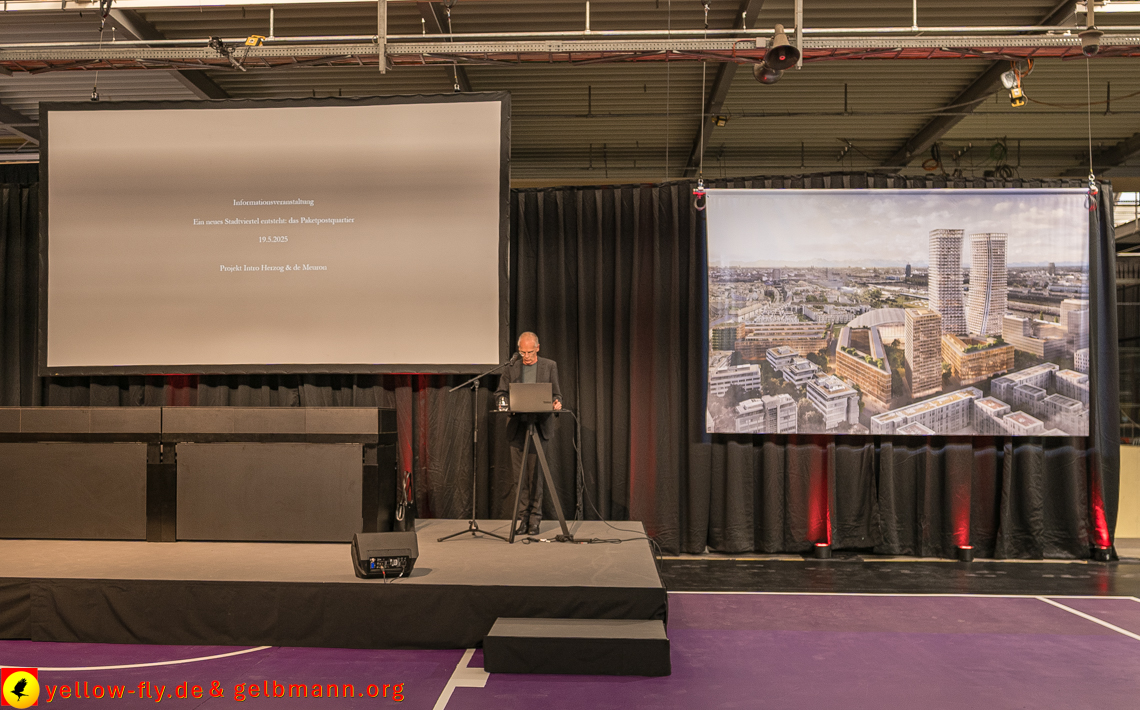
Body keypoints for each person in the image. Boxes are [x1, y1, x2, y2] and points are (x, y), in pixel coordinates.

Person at [495, 331, 562, 536]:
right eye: (522, 352)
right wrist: (502, 402)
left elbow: (556, 393)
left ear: (538, 348)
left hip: (539, 428)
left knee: (535, 477)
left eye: (530, 352)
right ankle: (522, 519)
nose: (526, 356)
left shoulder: (549, 366)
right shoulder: (511, 367)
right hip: (517, 428)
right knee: (520, 478)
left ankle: (535, 520)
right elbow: (501, 392)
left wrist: (557, 402)